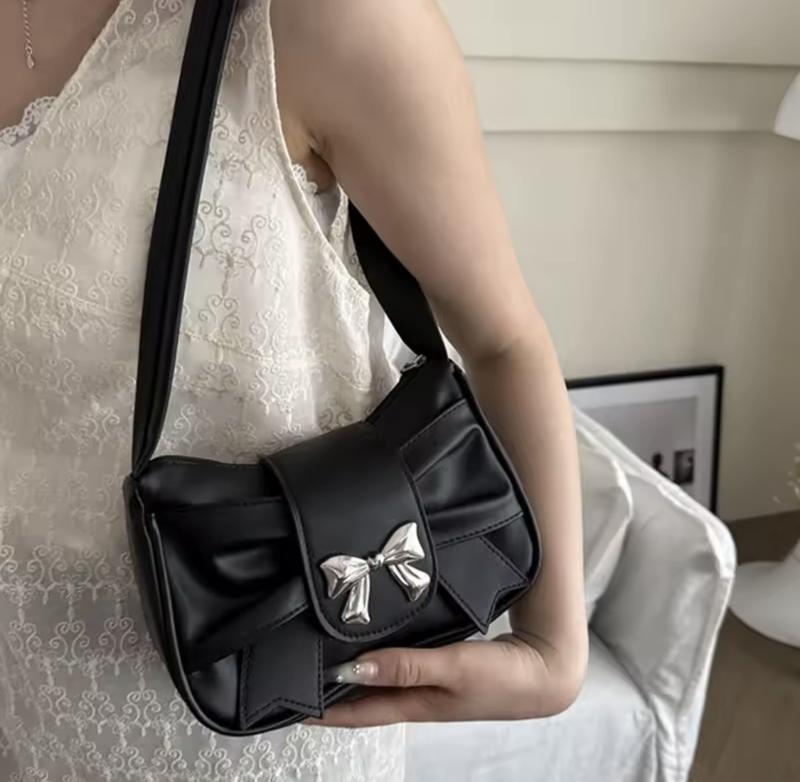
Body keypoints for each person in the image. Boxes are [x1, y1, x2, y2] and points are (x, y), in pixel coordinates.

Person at [0, 0, 588, 779]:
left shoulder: (326, 18)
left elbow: (502, 340)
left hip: (253, 716)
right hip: (22, 696)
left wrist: (553, 648)